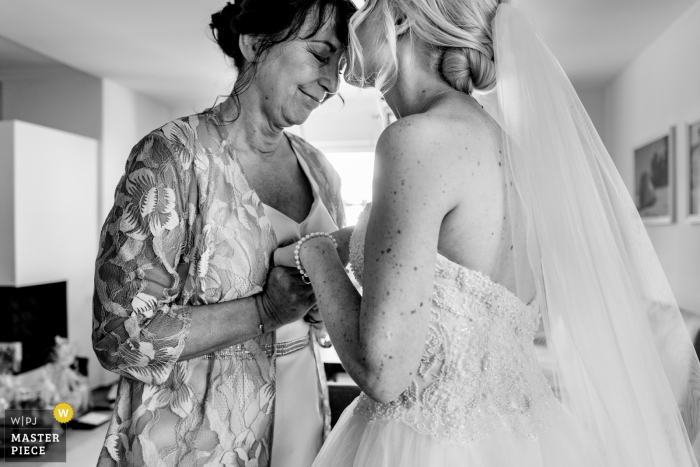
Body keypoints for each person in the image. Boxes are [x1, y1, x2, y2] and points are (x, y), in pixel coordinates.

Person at [273, 0, 700, 466]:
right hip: (524, 437)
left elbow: (384, 371)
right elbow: (451, 263)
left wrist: (315, 254)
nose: (354, 19)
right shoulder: (508, 152)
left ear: (402, 19)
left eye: (368, 4)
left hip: (423, 444)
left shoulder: (416, 140)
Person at [91, 0, 355, 465]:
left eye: (340, 65)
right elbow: (120, 336)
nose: (332, 82)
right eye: (320, 53)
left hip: (304, 427)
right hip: (196, 440)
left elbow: (322, 321)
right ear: (255, 44)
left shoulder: (321, 171)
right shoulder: (172, 156)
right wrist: (266, 308)